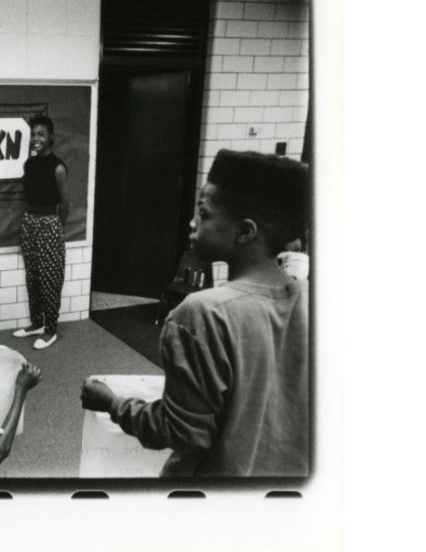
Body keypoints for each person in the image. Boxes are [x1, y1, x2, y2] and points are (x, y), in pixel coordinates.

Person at [80, 149, 310, 477]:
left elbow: (181, 432)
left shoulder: (201, 316)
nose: (192, 222)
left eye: (204, 213)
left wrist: (112, 403)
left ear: (245, 232)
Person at [11, 115, 69, 350]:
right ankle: (37, 323)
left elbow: (65, 204)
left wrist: (55, 228)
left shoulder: (58, 167)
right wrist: (32, 223)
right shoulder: (29, 164)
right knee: (32, 277)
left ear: (51, 137)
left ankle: (51, 329)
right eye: (33, 134)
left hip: (49, 223)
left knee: (49, 280)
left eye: (41, 134)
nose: (36, 139)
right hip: (29, 222)